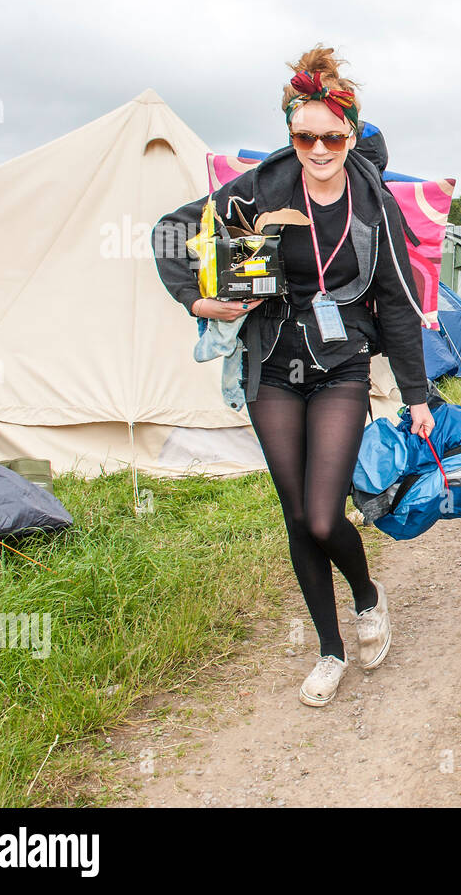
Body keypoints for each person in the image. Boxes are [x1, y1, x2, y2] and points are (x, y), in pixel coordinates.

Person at [154, 46, 435, 707]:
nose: (317, 149)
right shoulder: (262, 185)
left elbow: (396, 303)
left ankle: (368, 597)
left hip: (340, 365)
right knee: (294, 513)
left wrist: (417, 395)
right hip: (271, 362)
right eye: (304, 136)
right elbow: (171, 231)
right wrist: (197, 299)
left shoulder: (374, 203)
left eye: (331, 137)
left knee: (319, 514)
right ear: (291, 135)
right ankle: (329, 650)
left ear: (351, 134)